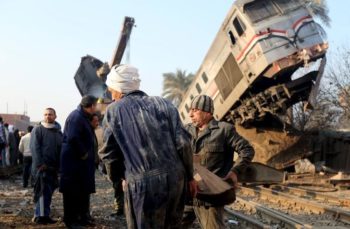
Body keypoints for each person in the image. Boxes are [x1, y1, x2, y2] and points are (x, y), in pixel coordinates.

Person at [100, 64, 197, 228]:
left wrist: (120, 178)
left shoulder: (114, 110)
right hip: (176, 180)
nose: (112, 95)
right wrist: (190, 177)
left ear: (119, 88)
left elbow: (109, 156)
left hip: (142, 185)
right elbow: (184, 143)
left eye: (112, 90)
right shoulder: (164, 103)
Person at [182, 95, 255, 229]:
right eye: (190, 110)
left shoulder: (224, 130)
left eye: (195, 110)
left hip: (210, 197)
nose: (190, 114)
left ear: (208, 112)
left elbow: (247, 150)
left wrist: (235, 171)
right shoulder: (186, 131)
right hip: (188, 194)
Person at [59, 95, 98, 228]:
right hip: (73, 163)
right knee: (72, 193)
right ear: (91, 105)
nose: (97, 107)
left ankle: (81, 218)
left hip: (80, 165)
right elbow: (73, 138)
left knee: (81, 191)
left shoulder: (83, 117)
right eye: (96, 105)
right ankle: (71, 221)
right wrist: (84, 153)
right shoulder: (76, 117)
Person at [30, 108, 63, 224]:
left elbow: (61, 149)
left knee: (48, 192)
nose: (47, 116)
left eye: (50, 114)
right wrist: (40, 164)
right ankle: (41, 216)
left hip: (53, 168)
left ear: (55, 116)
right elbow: (34, 148)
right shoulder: (38, 129)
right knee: (42, 192)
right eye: (45, 114)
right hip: (42, 168)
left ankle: (44, 214)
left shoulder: (58, 131)